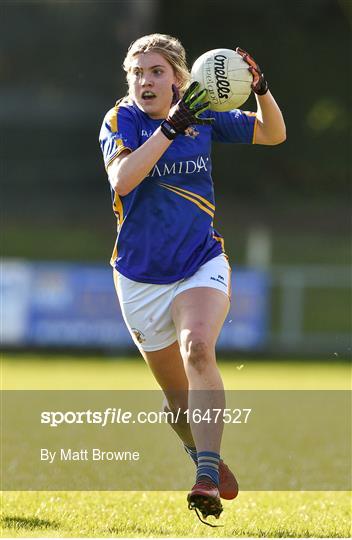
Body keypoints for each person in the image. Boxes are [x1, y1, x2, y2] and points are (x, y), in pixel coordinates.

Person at [99, 33, 286, 525]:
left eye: (156, 71)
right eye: (137, 72)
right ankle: (200, 453)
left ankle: (205, 475)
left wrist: (261, 88)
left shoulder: (202, 113)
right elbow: (123, 179)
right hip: (139, 280)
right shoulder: (121, 120)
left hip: (200, 261)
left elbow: (273, 134)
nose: (145, 81)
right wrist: (168, 130)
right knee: (176, 401)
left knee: (198, 347)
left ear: (179, 78)